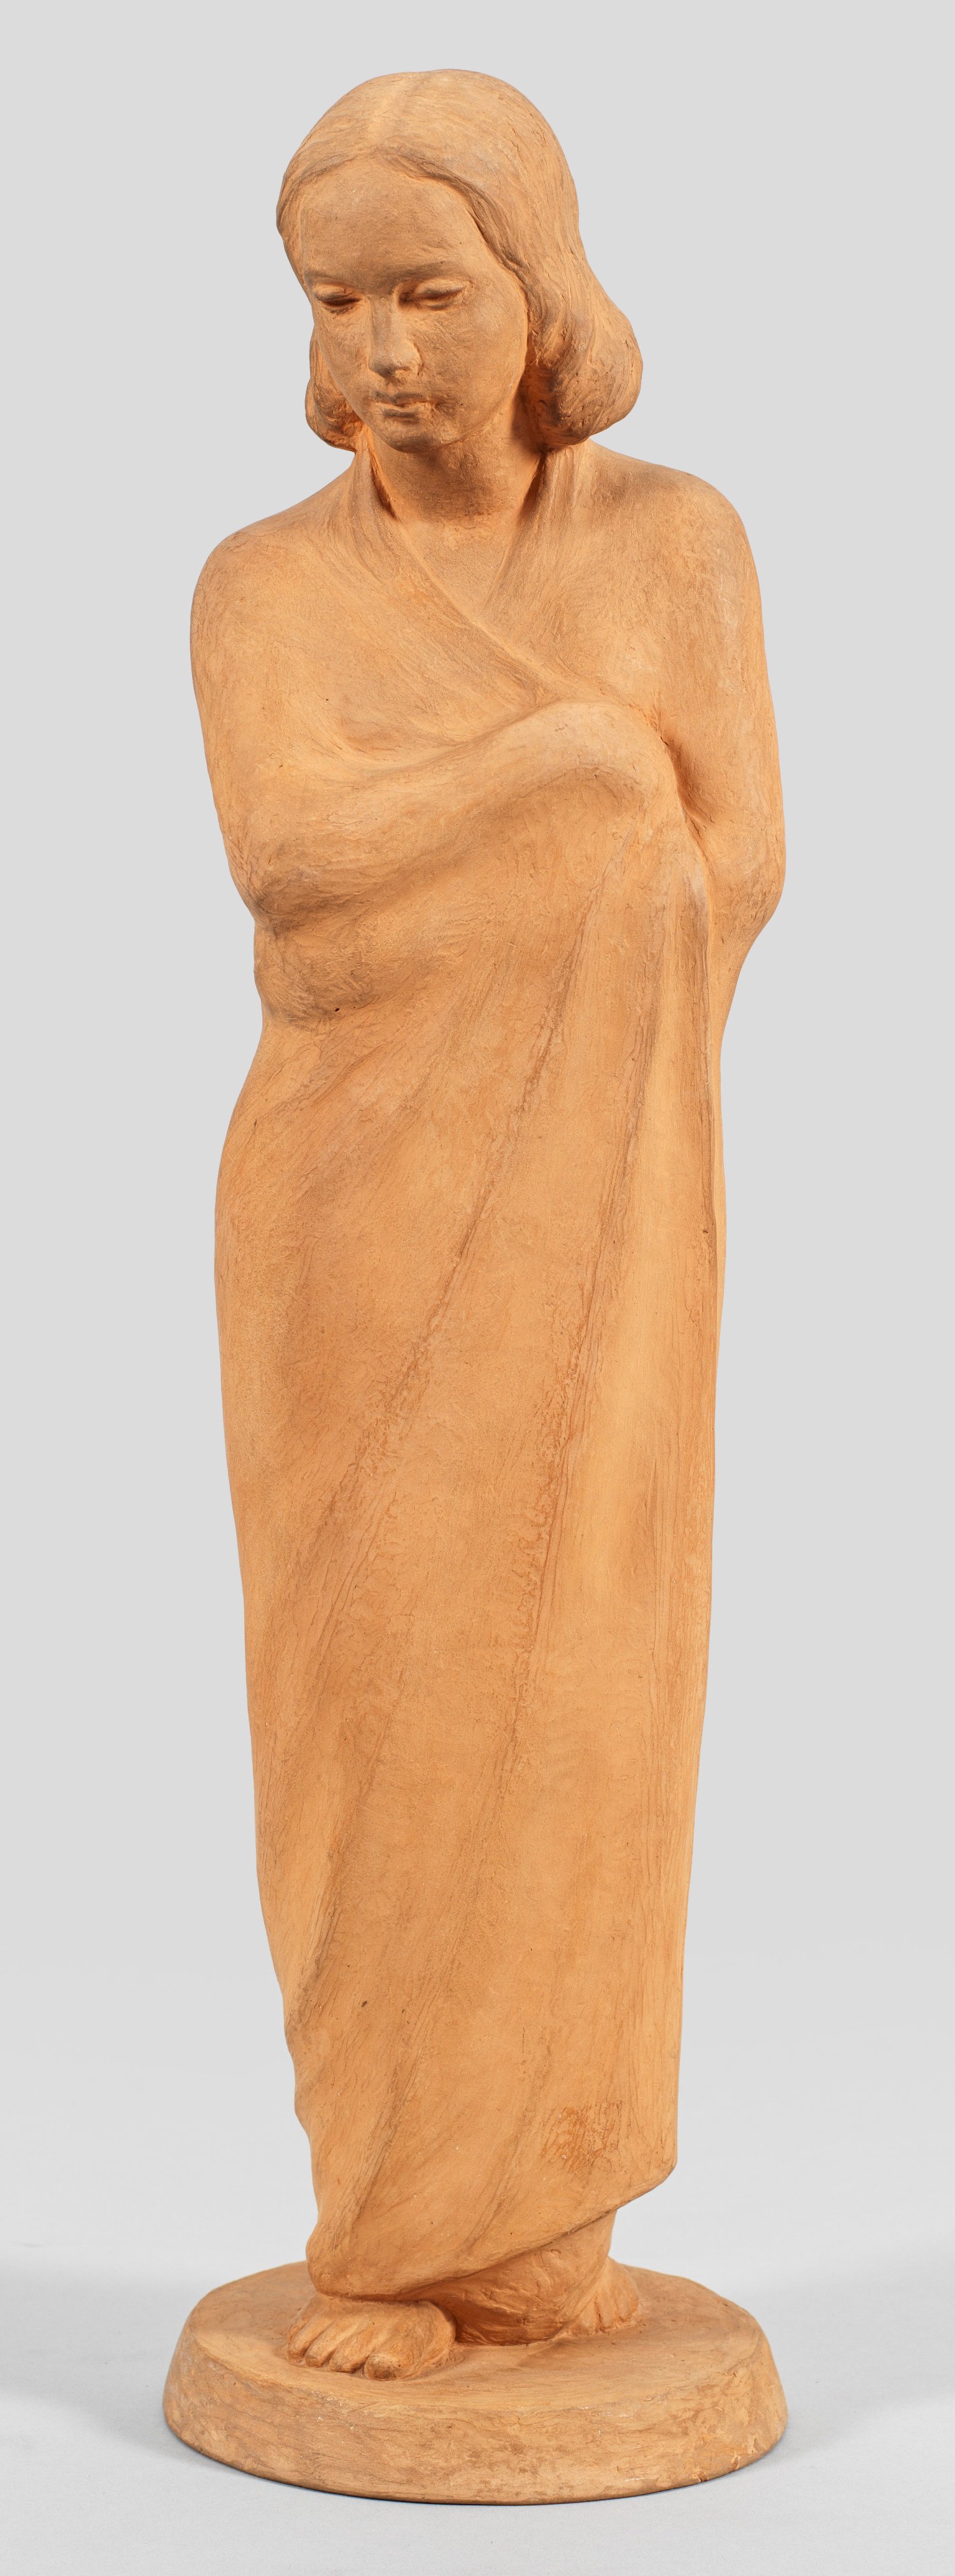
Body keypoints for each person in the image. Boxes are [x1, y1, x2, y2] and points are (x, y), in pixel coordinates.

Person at [191, 68, 784, 2380]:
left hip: (600, 1193)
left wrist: (591, 853)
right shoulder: (265, 584)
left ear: (537, 291)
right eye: (335, 302)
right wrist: (566, 769)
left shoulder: (676, 544)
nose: (383, 353)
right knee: (373, 1696)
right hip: (347, 1209)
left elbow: (732, 863)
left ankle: (534, 2225)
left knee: (583, 1669)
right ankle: (381, 2221)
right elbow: (290, 865)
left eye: (427, 295)